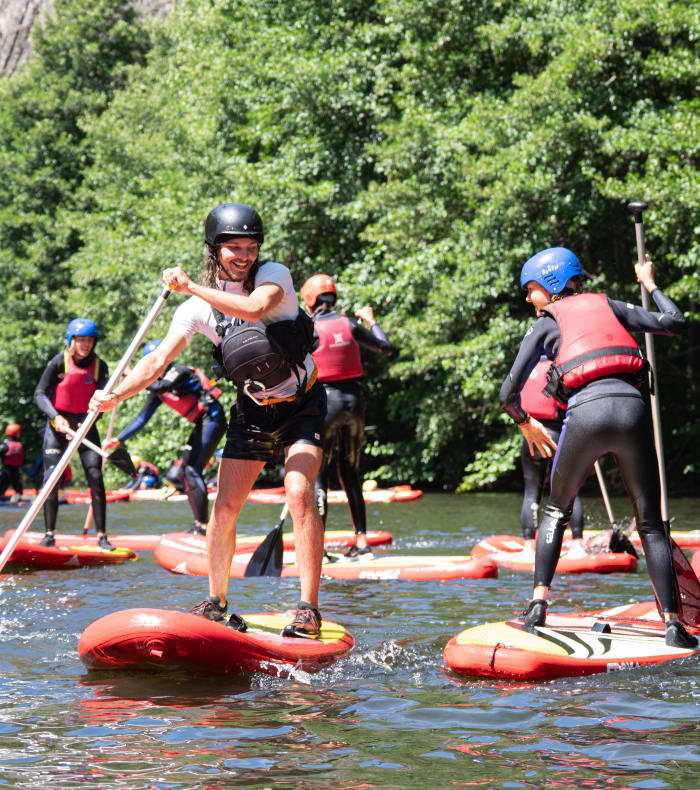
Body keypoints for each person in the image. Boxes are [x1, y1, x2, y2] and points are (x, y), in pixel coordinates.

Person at [90, 202, 326, 637]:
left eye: (250, 246)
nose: (243, 255)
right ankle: (216, 601)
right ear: (214, 249)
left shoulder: (274, 276)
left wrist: (192, 286)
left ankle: (308, 608)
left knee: (298, 491)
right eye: (233, 247)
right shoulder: (196, 311)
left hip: (302, 404)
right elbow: (158, 361)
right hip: (252, 411)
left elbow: (254, 309)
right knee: (225, 507)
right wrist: (115, 394)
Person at [499, 246, 697, 649]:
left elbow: (506, 393)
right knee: (651, 524)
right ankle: (673, 623)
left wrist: (525, 423)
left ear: (551, 286)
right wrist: (650, 284)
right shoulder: (612, 304)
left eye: (530, 289)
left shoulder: (545, 322)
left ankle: (538, 606)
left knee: (555, 509)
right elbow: (675, 322)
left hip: (586, 416)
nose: (527, 298)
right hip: (633, 413)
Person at [300, 274, 395, 558]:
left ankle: (319, 547)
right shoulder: (351, 324)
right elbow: (386, 348)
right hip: (355, 403)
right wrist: (371, 320)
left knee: (319, 474)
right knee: (350, 472)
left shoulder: (309, 328)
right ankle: (362, 543)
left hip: (325, 404)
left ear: (309, 299)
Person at [103, 343, 226, 531]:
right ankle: (200, 525)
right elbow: (142, 418)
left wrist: (131, 376)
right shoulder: (155, 389)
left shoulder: (179, 371)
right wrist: (119, 439)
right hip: (203, 424)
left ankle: (205, 526)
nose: (156, 367)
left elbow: (162, 386)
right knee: (183, 472)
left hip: (213, 419)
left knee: (192, 471)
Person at [34, 318, 115, 550]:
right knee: (51, 478)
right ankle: (49, 534)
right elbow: (39, 394)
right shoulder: (59, 363)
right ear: (71, 341)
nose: (85, 345)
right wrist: (54, 416)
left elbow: (104, 401)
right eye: (80, 340)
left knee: (95, 478)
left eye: (89, 340)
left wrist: (90, 421)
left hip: (86, 425)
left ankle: (102, 536)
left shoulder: (101, 366)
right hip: (58, 425)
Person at [518, 357, 584, 561]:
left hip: (532, 435)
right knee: (571, 489)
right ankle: (577, 545)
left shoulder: (529, 369)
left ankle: (529, 548)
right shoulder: (560, 367)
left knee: (532, 492)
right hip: (558, 435)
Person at [0, 423, 25, 501]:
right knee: (20, 493)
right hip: (16, 472)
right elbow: (24, 460)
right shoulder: (21, 446)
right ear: (17, 434)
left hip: (6, 473)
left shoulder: (4, 446)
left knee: (0, 492)